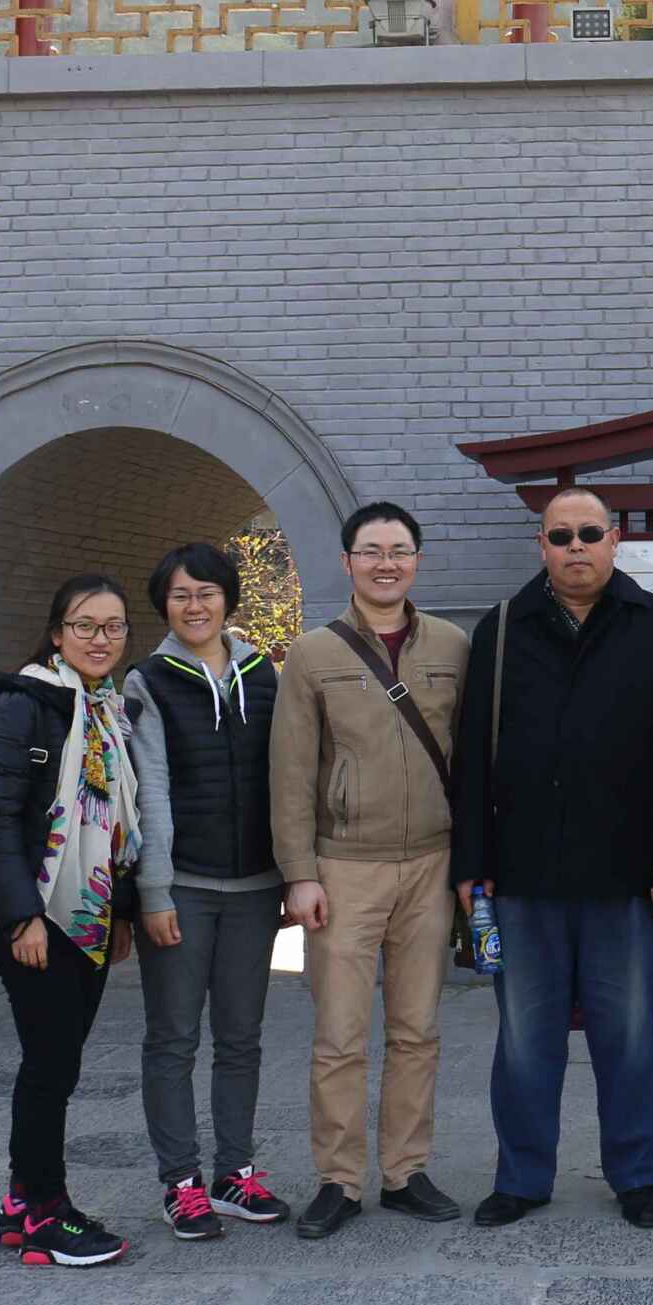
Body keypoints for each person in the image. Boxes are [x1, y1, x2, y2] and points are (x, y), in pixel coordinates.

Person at [450, 486, 653, 1231]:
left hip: (627, 872)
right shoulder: (502, 627)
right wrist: (471, 861)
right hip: (522, 872)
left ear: (614, 540)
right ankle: (523, 1176)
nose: (576, 547)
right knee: (526, 1039)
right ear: (542, 546)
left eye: (589, 533)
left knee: (630, 1035)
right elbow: (473, 756)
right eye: (560, 536)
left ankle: (637, 1173)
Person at [270, 502, 469, 1239]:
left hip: (431, 863)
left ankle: (406, 1171)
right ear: (348, 561)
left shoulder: (452, 644)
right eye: (371, 550)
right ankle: (339, 1179)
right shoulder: (312, 653)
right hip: (343, 868)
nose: (386, 563)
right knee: (339, 1034)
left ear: (417, 560)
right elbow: (291, 772)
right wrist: (300, 873)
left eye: (399, 550)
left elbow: (470, 761)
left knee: (418, 1030)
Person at [0, 574, 144, 1268]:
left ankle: (22, 1205)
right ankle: (46, 1212)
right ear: (56, 633)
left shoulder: (109, 707)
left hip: (89, 916)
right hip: (39, 919)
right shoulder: (27, 701)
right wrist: (23, 918)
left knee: (58, 1064)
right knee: (48, 1067)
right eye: (85, 625)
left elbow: (114, 823)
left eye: (113, 626)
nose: (100, 639)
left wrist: (119, 913)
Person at [120, 543, 288, 1243]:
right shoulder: (147, 681)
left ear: (228, 598)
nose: (195, 605)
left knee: (242, 1038)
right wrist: (154, 892)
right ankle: (181, 1182)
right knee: (174, 1037)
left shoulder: (265, 672)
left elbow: (286, 775)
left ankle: (234, 1173)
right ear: (164, 604)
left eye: (207, 591)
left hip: (255, 887)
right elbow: (150, 791)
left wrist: (292, 872)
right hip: (182, 885)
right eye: (181, 594)